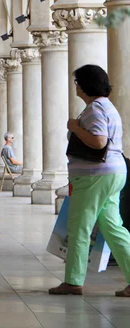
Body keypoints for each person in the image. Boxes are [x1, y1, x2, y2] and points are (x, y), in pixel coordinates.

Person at [49, 65, 130, 297]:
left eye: (77, 82)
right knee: (113, 228)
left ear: (85, 85)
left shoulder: (94, 109)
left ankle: (73, 281)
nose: (75, 86)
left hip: (94, 176)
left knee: (79, 228)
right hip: (113, 173)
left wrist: (74, 126)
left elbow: (98, 142)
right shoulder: (108, 107)